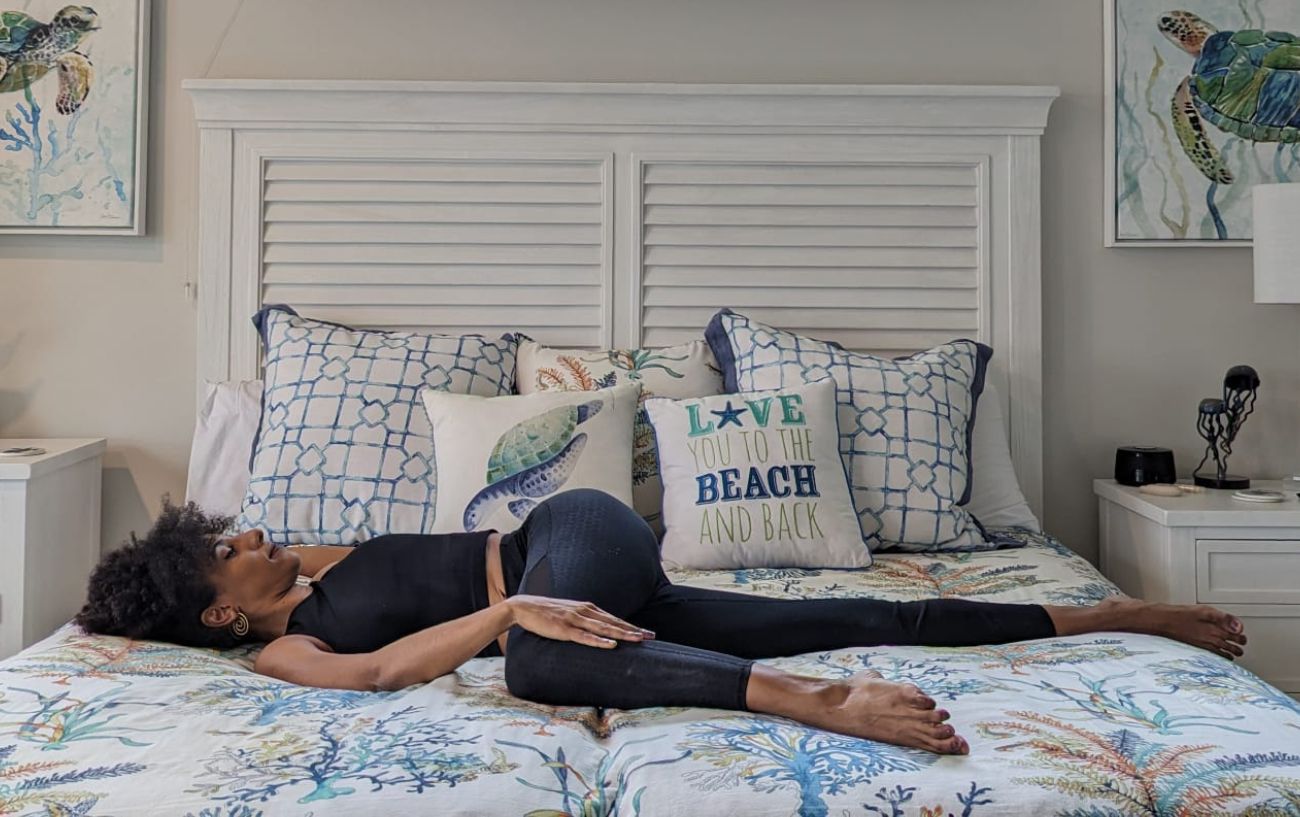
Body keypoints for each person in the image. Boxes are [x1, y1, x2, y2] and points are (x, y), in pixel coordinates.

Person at [76, 489, 1247, 755]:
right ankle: (1104, 612)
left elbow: (504, 613)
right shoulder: (288, 644)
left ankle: (822, 709)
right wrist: (505, 615)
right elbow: (380, 675)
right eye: (228, 546)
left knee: (536, 660)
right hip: (581, 604)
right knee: (847, 611)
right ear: (219, 608)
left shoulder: (320, 557)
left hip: (575, 534)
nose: (252, 530)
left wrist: (513, 604)